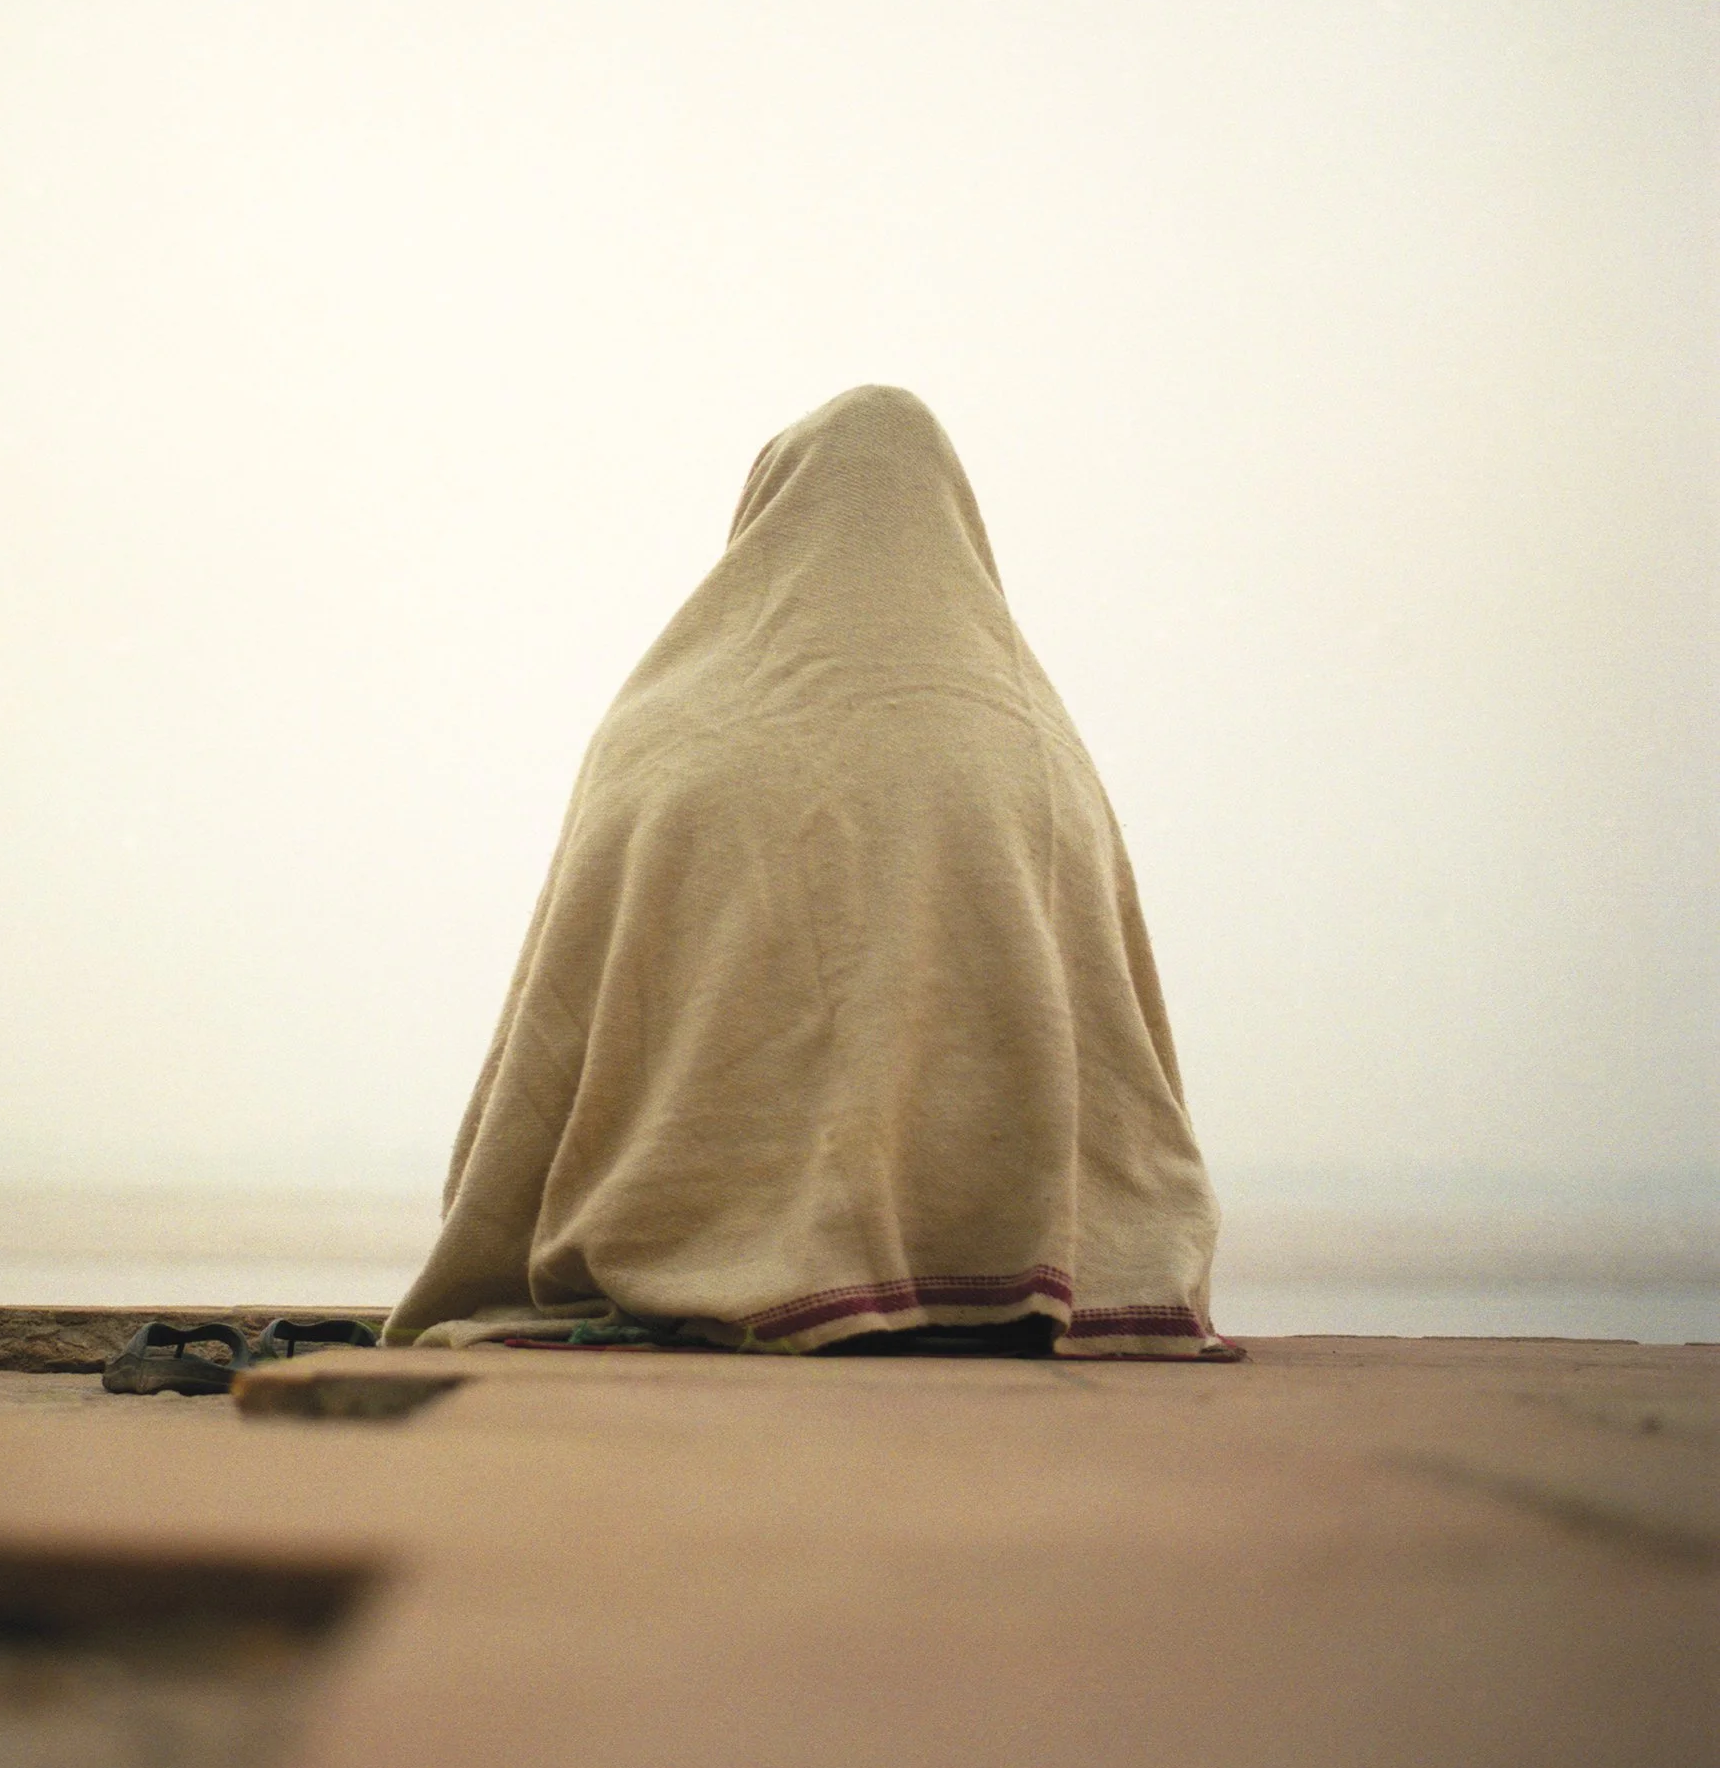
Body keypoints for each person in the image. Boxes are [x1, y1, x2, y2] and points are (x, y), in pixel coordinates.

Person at [383, 385, 1235, 1361]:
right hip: (1022, 1282)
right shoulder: (1036, 755)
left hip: (676, 1259)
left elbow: (560, 1031)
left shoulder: (661, 735)